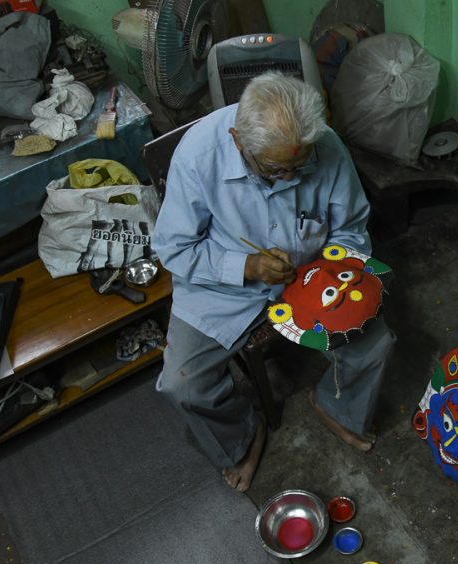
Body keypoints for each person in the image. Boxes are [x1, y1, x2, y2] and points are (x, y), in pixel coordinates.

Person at [153, 73, 396, 492]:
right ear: (237, 140)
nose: (290, 179)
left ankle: (337, 406)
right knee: (182, 384)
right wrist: (246, 266)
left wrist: (331, 269)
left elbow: (351, 229)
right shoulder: (198, 156)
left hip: (309, 272)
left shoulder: (325, 147)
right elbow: (174, 249)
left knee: (376, 343)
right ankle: (242, 437)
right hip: (223, 282)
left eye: (299, 168)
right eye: (277, 169)